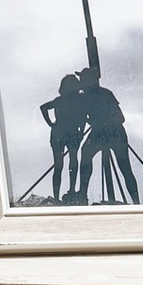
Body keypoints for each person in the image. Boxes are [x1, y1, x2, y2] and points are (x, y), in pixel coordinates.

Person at [79, 69, 140, 202]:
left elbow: (120, 117)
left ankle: (82, 196)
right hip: (112, 133)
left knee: (124, 168)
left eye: (83, 79)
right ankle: (136, 202)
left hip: (111, 132)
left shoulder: (99, 95)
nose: (81, 82)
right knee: (125, 169)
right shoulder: (100, 94)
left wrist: (101, 122)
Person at [40, 67, 92, 202]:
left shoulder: (60, 100)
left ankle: (58, 197)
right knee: (72, 163)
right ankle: (71, 190)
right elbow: (83, 117)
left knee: (59, 166)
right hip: (71, 133)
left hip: (58, 133)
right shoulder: (79, 100)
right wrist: (81, 130)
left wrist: (51, 124)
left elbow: (43, 107)